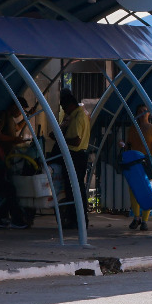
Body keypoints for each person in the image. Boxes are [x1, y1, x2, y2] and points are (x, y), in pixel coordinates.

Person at [124, 103, 152, 231]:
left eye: (145, 111)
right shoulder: (133, 129)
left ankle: (145, 220)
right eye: (140, 111)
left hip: (149, 163)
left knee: (148, 191)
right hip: (135, 163)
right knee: (134, 190)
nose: (143, 113)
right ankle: (136, 217)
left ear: (149, 113)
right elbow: (128, 146)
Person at [59, 89, 92, 229]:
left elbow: (77, 141)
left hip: (75, 156)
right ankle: (78, 218)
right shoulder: (80, 115)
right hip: (79, 155)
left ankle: (77, 219)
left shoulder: (78, 117)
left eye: (65, 108)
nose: (65, 111)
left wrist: (62, 140)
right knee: (75, 188)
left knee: (74, 189)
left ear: (71, 105)